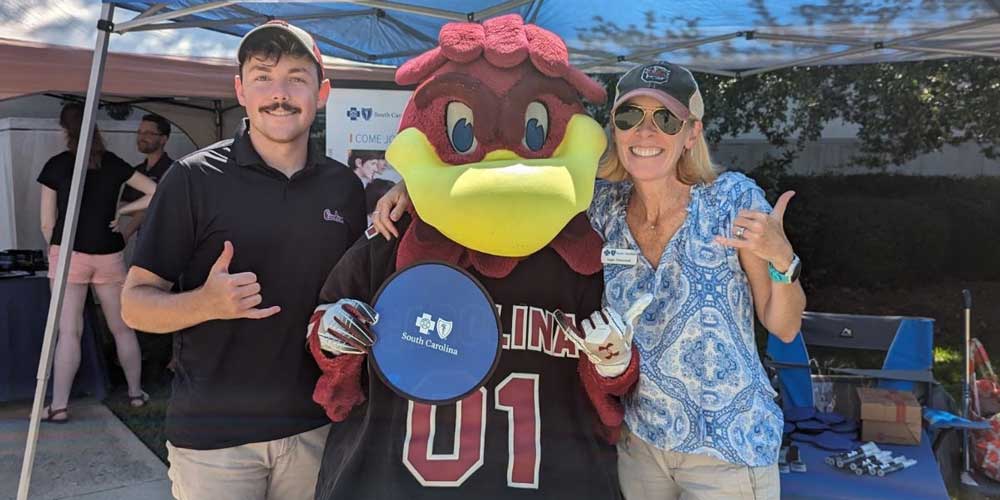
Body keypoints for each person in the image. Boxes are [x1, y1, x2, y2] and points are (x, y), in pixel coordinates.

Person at [371, 61, 807, 499]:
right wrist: (413, 189)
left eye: (666, 119)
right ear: (614, 129)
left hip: (728, 448)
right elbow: (513, 200)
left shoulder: (733, 200)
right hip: (641, 443)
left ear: (691, 133)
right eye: (630, 116)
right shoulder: (600, 207)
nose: (646, 132)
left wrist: (782, 258)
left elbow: (783, 325)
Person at [119, 20, 365, 500]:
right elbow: (133, 306)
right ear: (240, 89)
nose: (280, 93)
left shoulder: (345, 187)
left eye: (297, 76)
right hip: (216, 442)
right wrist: (207, 303)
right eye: (262, 76)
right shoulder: (193, 179)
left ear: (323, 92)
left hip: (317, 427)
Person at [37, 102, 156, 423]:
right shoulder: (113, 163)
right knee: (121, 328)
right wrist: (122, 212)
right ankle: (135, 394)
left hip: (69, 254)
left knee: (69, 332)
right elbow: (156, 192)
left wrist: (58, 252)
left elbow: (48, 224)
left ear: (65, 131)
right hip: (108, 254)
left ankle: (59, 406)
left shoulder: (57, 165)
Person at [118, 113, 173, 241]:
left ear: (164, 139)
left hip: (166, 240)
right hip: (141, 240)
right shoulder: (136, 171)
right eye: (140, 132)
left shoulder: (174, 170)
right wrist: (142, 210)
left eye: (148, 133)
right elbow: (123, 204)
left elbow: (166, 208)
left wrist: (140, 209)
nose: (141, 137)